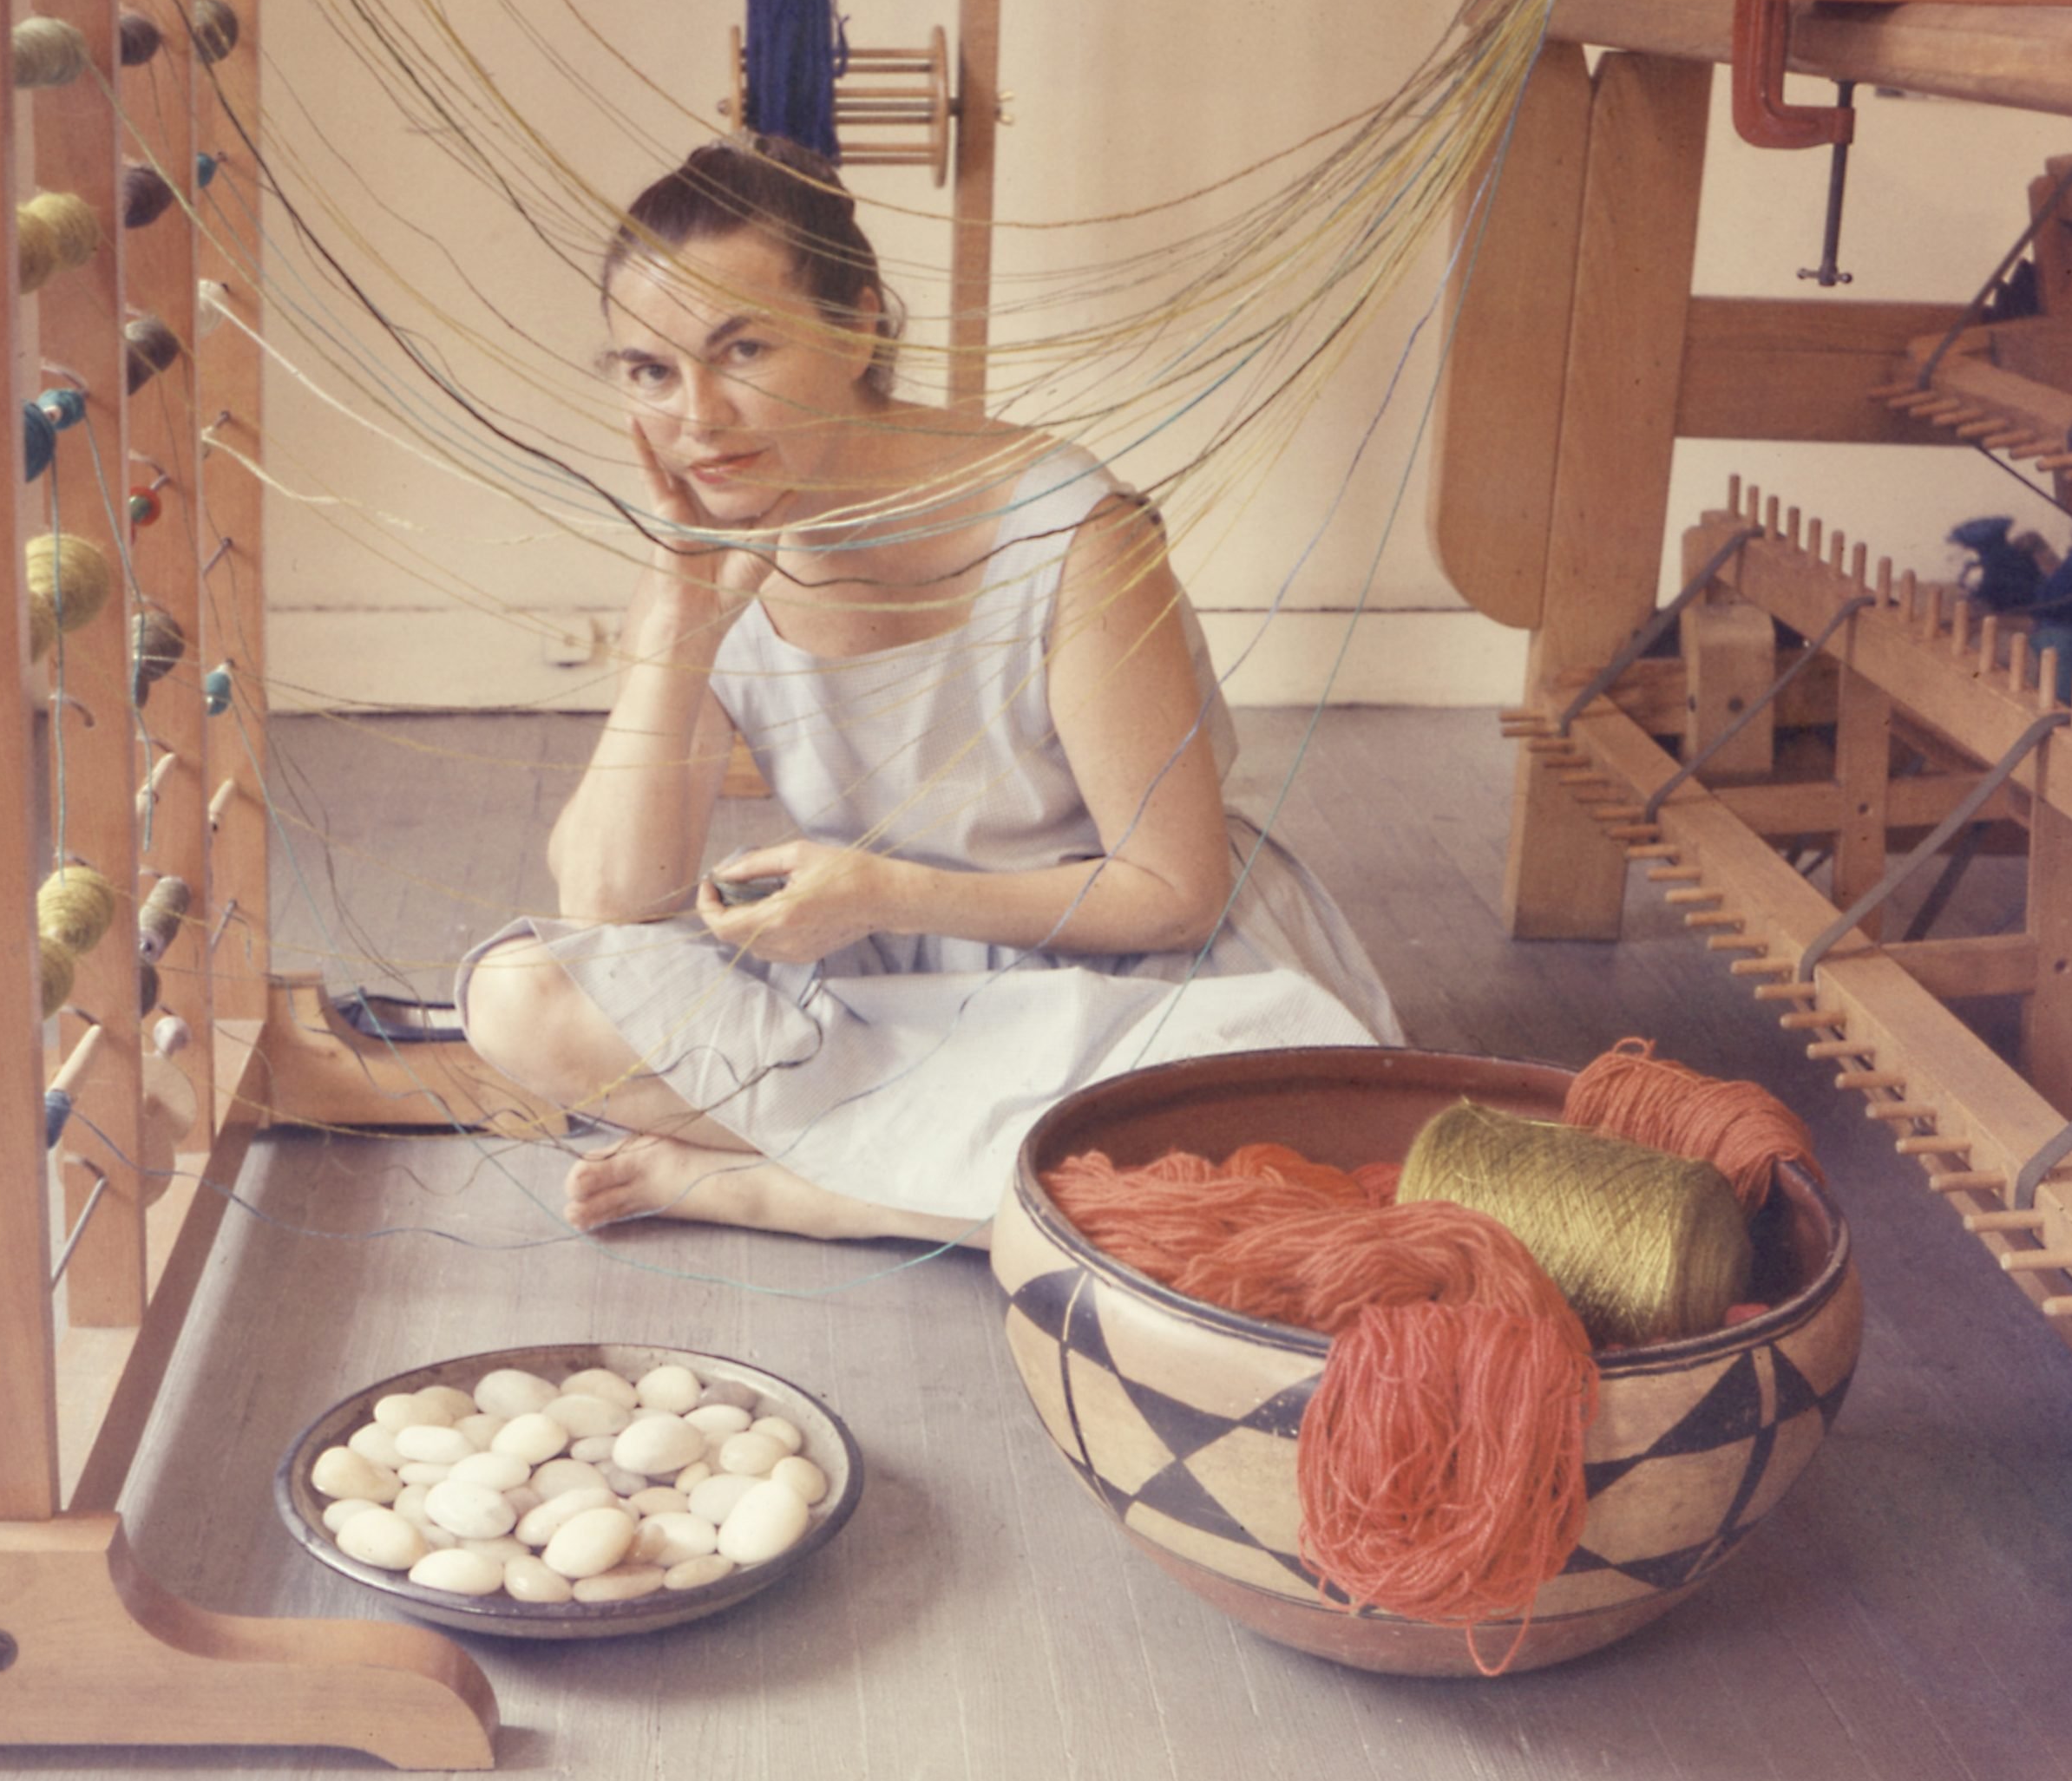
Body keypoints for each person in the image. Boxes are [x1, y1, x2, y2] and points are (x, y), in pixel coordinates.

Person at [459, 135, 1400, 1246]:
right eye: (650, 373)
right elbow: (610, 903)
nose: (697, 418)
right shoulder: (707, 537)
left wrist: (880, 893)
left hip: (1138, 984)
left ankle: (778, 1186)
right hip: (883, 989)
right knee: (518, 995)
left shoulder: (1071, 531)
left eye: (743, 349)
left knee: (1258, 1159)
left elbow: (1172, 892)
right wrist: (677, 629)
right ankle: (996, 1187)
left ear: (860, 324)